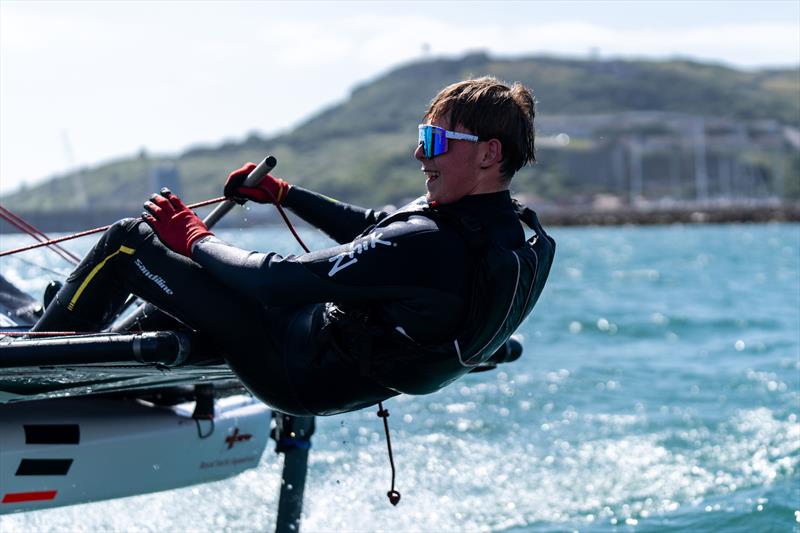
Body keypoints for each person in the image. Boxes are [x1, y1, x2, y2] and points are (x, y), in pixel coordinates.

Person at [32, 77, 555, 416]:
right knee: (193, 285)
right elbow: (377, 228)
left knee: (130, 241)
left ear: (488, 154)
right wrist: (284, 194)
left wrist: (192, 237)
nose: (421, 152)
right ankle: (139, 384)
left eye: (438, 141)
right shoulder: (511, 232)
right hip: (336, 373)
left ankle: (29, 375)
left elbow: (275, 282)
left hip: (292, 364)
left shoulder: (427, 243)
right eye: (423, 135)